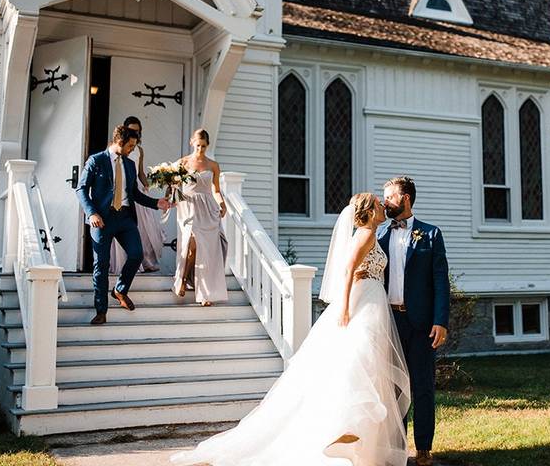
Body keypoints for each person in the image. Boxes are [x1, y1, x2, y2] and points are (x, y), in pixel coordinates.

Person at [171, 193, 410, 466]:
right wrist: (344, 307)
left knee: (366, 366)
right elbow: (348, 271)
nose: (383, 207)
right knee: (359, 364)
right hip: (362, 302)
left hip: (371, 300)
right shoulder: (365, 235)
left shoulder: (370, 235)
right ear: (368, 211)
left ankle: (357, 440)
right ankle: (345, 429)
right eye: (379, 204)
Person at [378, 176, 450, 466]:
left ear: (405, 199)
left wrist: (440, 320)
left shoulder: (431, 235)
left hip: (421, 324)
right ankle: (397, 448)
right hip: (389, 322)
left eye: (390, 197)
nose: (385, 203)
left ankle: (423, 448)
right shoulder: (379, 234)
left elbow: (440, 281)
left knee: (422, 386)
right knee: (394, 388)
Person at [76, 125, 172, 325]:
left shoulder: (129, 165)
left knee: (137, 254)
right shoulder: (96, 160)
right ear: (119, 142)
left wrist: (156, 203)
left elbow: (135, 194)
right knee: (100, 266)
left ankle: (120, 289)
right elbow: (81, 189)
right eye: (130, 146)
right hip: (101, 219)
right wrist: (91, 212)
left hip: (126, 218)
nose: (132, 150)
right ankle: (101, 310)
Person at [172, 129, 229, 306]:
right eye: (198, 146)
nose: (200, 149)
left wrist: (222, 203)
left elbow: (216, 190)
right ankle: (181, 279)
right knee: (191, 245)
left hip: (208, 209)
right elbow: (173, 187)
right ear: (192, 143)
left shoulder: (213, 165)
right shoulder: (182, 163)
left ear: (207, 145)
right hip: (188, 208)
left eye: (204, 146)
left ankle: (205, 294)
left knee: (205, 250)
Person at [109, 116, 163, 274]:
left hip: (136, 189)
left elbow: (140, 172)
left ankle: (143, 261)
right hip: (120, 190)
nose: (135, 134)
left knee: (143, 228)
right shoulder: (114, 148)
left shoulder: (139, 150)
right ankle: (123, 263)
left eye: (137, 131)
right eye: (132, 130)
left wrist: (146, 184)